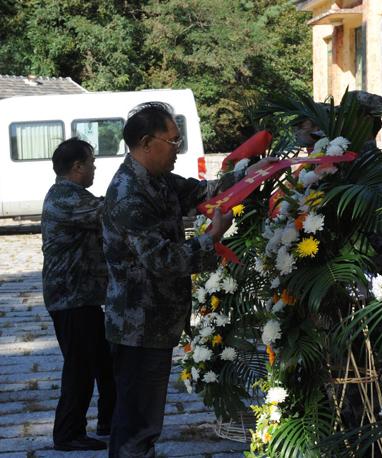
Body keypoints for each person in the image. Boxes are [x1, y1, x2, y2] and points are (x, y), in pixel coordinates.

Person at [103, 101, 274, 457]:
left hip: (157, 319)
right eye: (173, 142)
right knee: (136, 421)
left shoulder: (157, 180)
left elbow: (203, 193)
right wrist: (211, 237)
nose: (178, 151)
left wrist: (252, 172)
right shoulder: (128, 194)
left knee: (143, 417)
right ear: (147, 143)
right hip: (139, 324)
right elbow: (161, 260)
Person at [41, 138, 116, 451]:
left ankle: (110, 421)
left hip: (82, 296)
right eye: (91, 163)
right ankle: (68, 433)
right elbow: (111, 211)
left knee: (104, 362)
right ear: (77, 167)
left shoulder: (71, 195)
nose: (95, 168)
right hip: (70, 297)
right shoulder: (66, 198)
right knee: (80, 367)